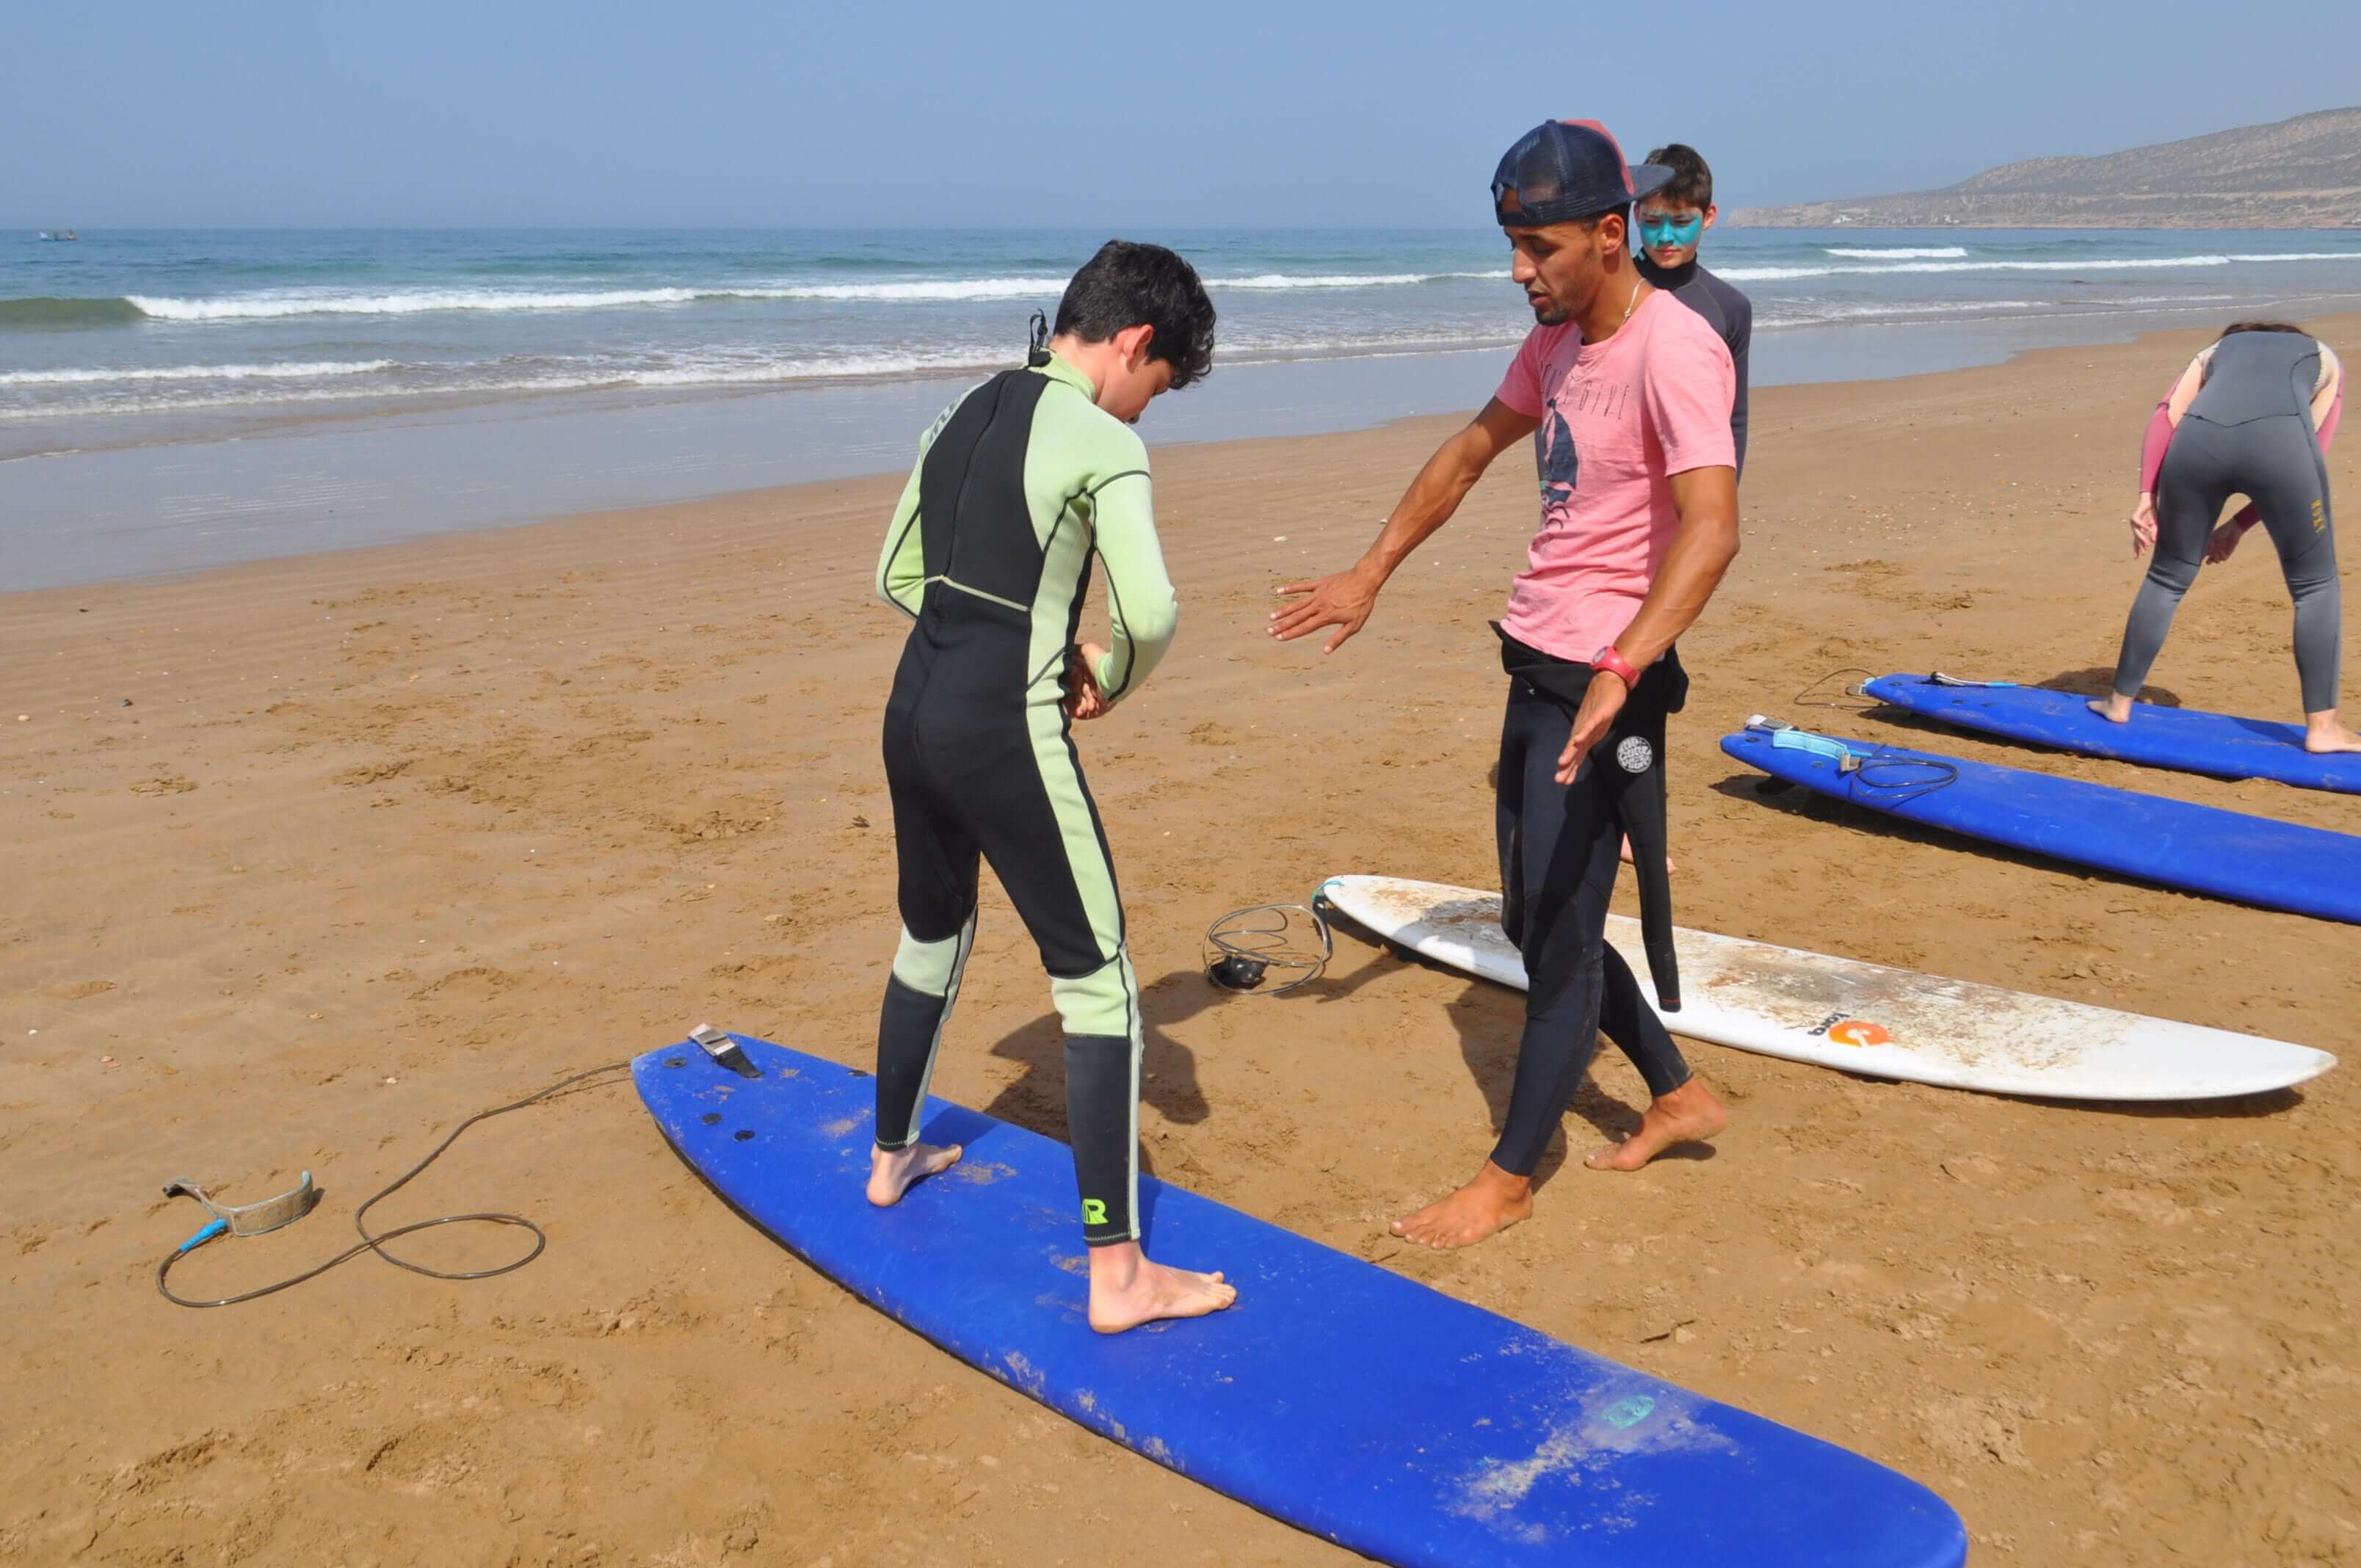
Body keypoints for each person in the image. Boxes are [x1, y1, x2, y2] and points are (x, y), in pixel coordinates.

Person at [1271, 120, 1740, 1250]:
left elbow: (1714, 531)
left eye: (1541, 248)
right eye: (1512, 248)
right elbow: (1474, 450)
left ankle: (1513, 1177)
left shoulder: (1677, 350)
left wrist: (1626, 668)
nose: (1521, 271)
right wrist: (1371, 570)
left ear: (1610, 235)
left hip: (1605, 680)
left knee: (1564, 941)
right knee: (1539, 919)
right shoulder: (1559, 341)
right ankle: (1677, 1094)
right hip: (1536, 664)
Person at [868, 240, 1238, 1332]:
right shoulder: (1101, 440)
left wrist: (979, 636)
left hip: (911, 714)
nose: (1145, 411)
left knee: (930, 937)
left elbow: (894, 572)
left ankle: (889, 1160)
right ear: (1134, 344)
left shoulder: (962, 412)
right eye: (1156, 387)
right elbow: (1154, 611)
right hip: (1002, 732)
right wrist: (1103, 675)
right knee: (1101, 983)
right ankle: (1120, 1277)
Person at [2097, 322, 2354, 752]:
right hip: (2283, 451)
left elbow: (2167, 416)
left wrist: (2147, 496)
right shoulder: (2323, 357)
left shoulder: (2214, 352)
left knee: (2166, 578)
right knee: (2315, 586)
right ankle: (2323, 729)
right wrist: (2240, 524)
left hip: (2196, 447)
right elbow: (2313, 449)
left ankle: (2119, 702)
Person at [1632, 143, 1752, 477]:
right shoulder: (1608, 297)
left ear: (1709, 217)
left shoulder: (1730, 308)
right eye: (1654, 221)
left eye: (1682, 221)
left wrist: (1722, 503)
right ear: (1636, 215)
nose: (1666, 237)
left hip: (1690, 487)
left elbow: (1734, 418)